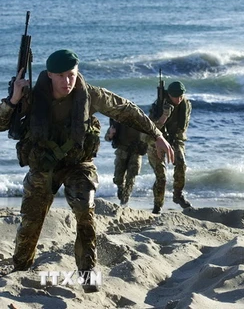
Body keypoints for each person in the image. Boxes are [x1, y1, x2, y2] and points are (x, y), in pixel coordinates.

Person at [0, 49, 174, 292]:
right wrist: (13, 100)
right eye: (60, 76)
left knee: (85, 211)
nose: (67, 81)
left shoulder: (90, 94)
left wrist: (156, 134)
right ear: (49, 74)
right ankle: (20, 270)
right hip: (43, 166)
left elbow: (125, 109)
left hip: (77, 165)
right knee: (30, 223)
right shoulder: (30, 95)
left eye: (71, 74)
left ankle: (88, 276)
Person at [146, 80, 192, 214]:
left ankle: (178, 195)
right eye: (175, 96)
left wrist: (173, 144)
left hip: (175, 138)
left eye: (181, 96)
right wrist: (164, 116)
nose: (179, 99)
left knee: (181, 164)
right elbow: (151, 129)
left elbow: (182, 127)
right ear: (169, 95)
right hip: (155, 140)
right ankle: (157, 205)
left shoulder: (185, 104)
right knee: (161, 176)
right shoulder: (158, 106)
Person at [104, 118, 148, 205]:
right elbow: (107, 138)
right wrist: (111, 134)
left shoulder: (140, 121)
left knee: (131, 177)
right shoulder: (118, 121)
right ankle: (120, 189)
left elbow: (149, 136)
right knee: (118, 178)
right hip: (122, 151)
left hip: (136, 152)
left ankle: (125, 200)